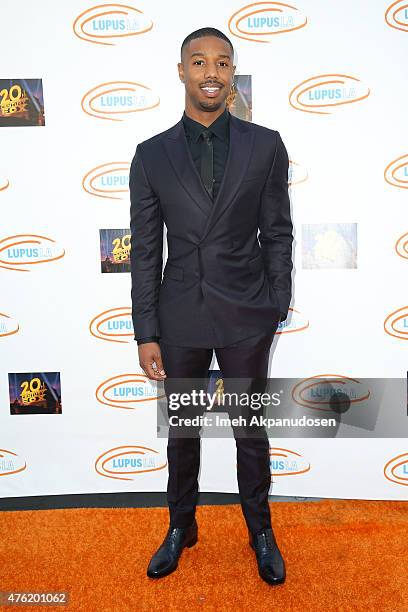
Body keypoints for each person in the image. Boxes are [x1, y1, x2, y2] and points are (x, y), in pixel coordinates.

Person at [129, 27, 293, 586]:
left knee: (250, 428)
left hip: (248, 311)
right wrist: (146, 329)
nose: (211, 73)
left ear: (232, 73)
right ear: (181, 71)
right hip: (179, 316)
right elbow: (146, 250)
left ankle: (260, 531)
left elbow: (278, 231)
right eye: (199, 62)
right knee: (183, 429)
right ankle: (180, 527)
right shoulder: (151, 156)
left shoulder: (265, 144)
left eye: (222, 63)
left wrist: (276, 303)